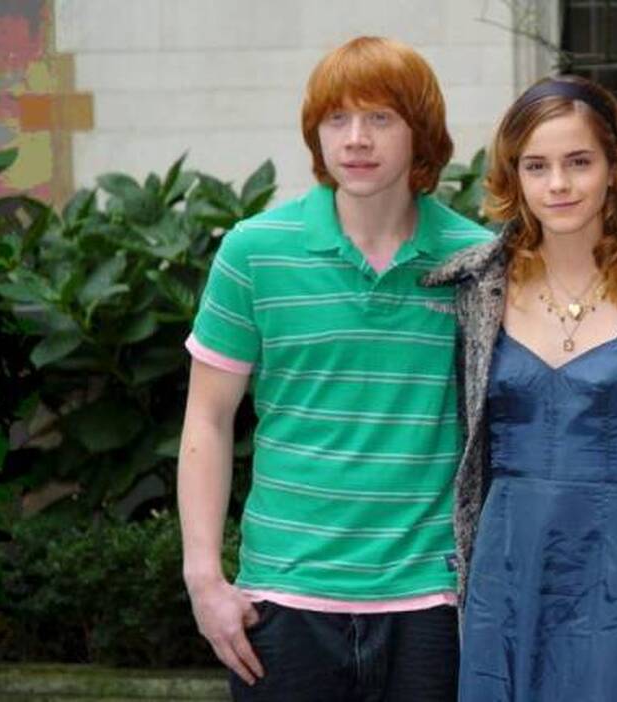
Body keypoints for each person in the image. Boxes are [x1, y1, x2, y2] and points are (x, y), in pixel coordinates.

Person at [177, 36, 490, 701]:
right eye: (336, 118)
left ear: (421, 132)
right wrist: (204, 580)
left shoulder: (478, 261)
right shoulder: (254, 252)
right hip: (283, 605)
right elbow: (207, 418)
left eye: (380, 118)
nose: (355, 139)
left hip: (433, 605)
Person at [424, 75, 617, 702]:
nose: (558, 184)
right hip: (508, 559)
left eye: (579, 162)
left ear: (615, 166)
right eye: (536, 166)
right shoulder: (476, 287)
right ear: (514, 176)